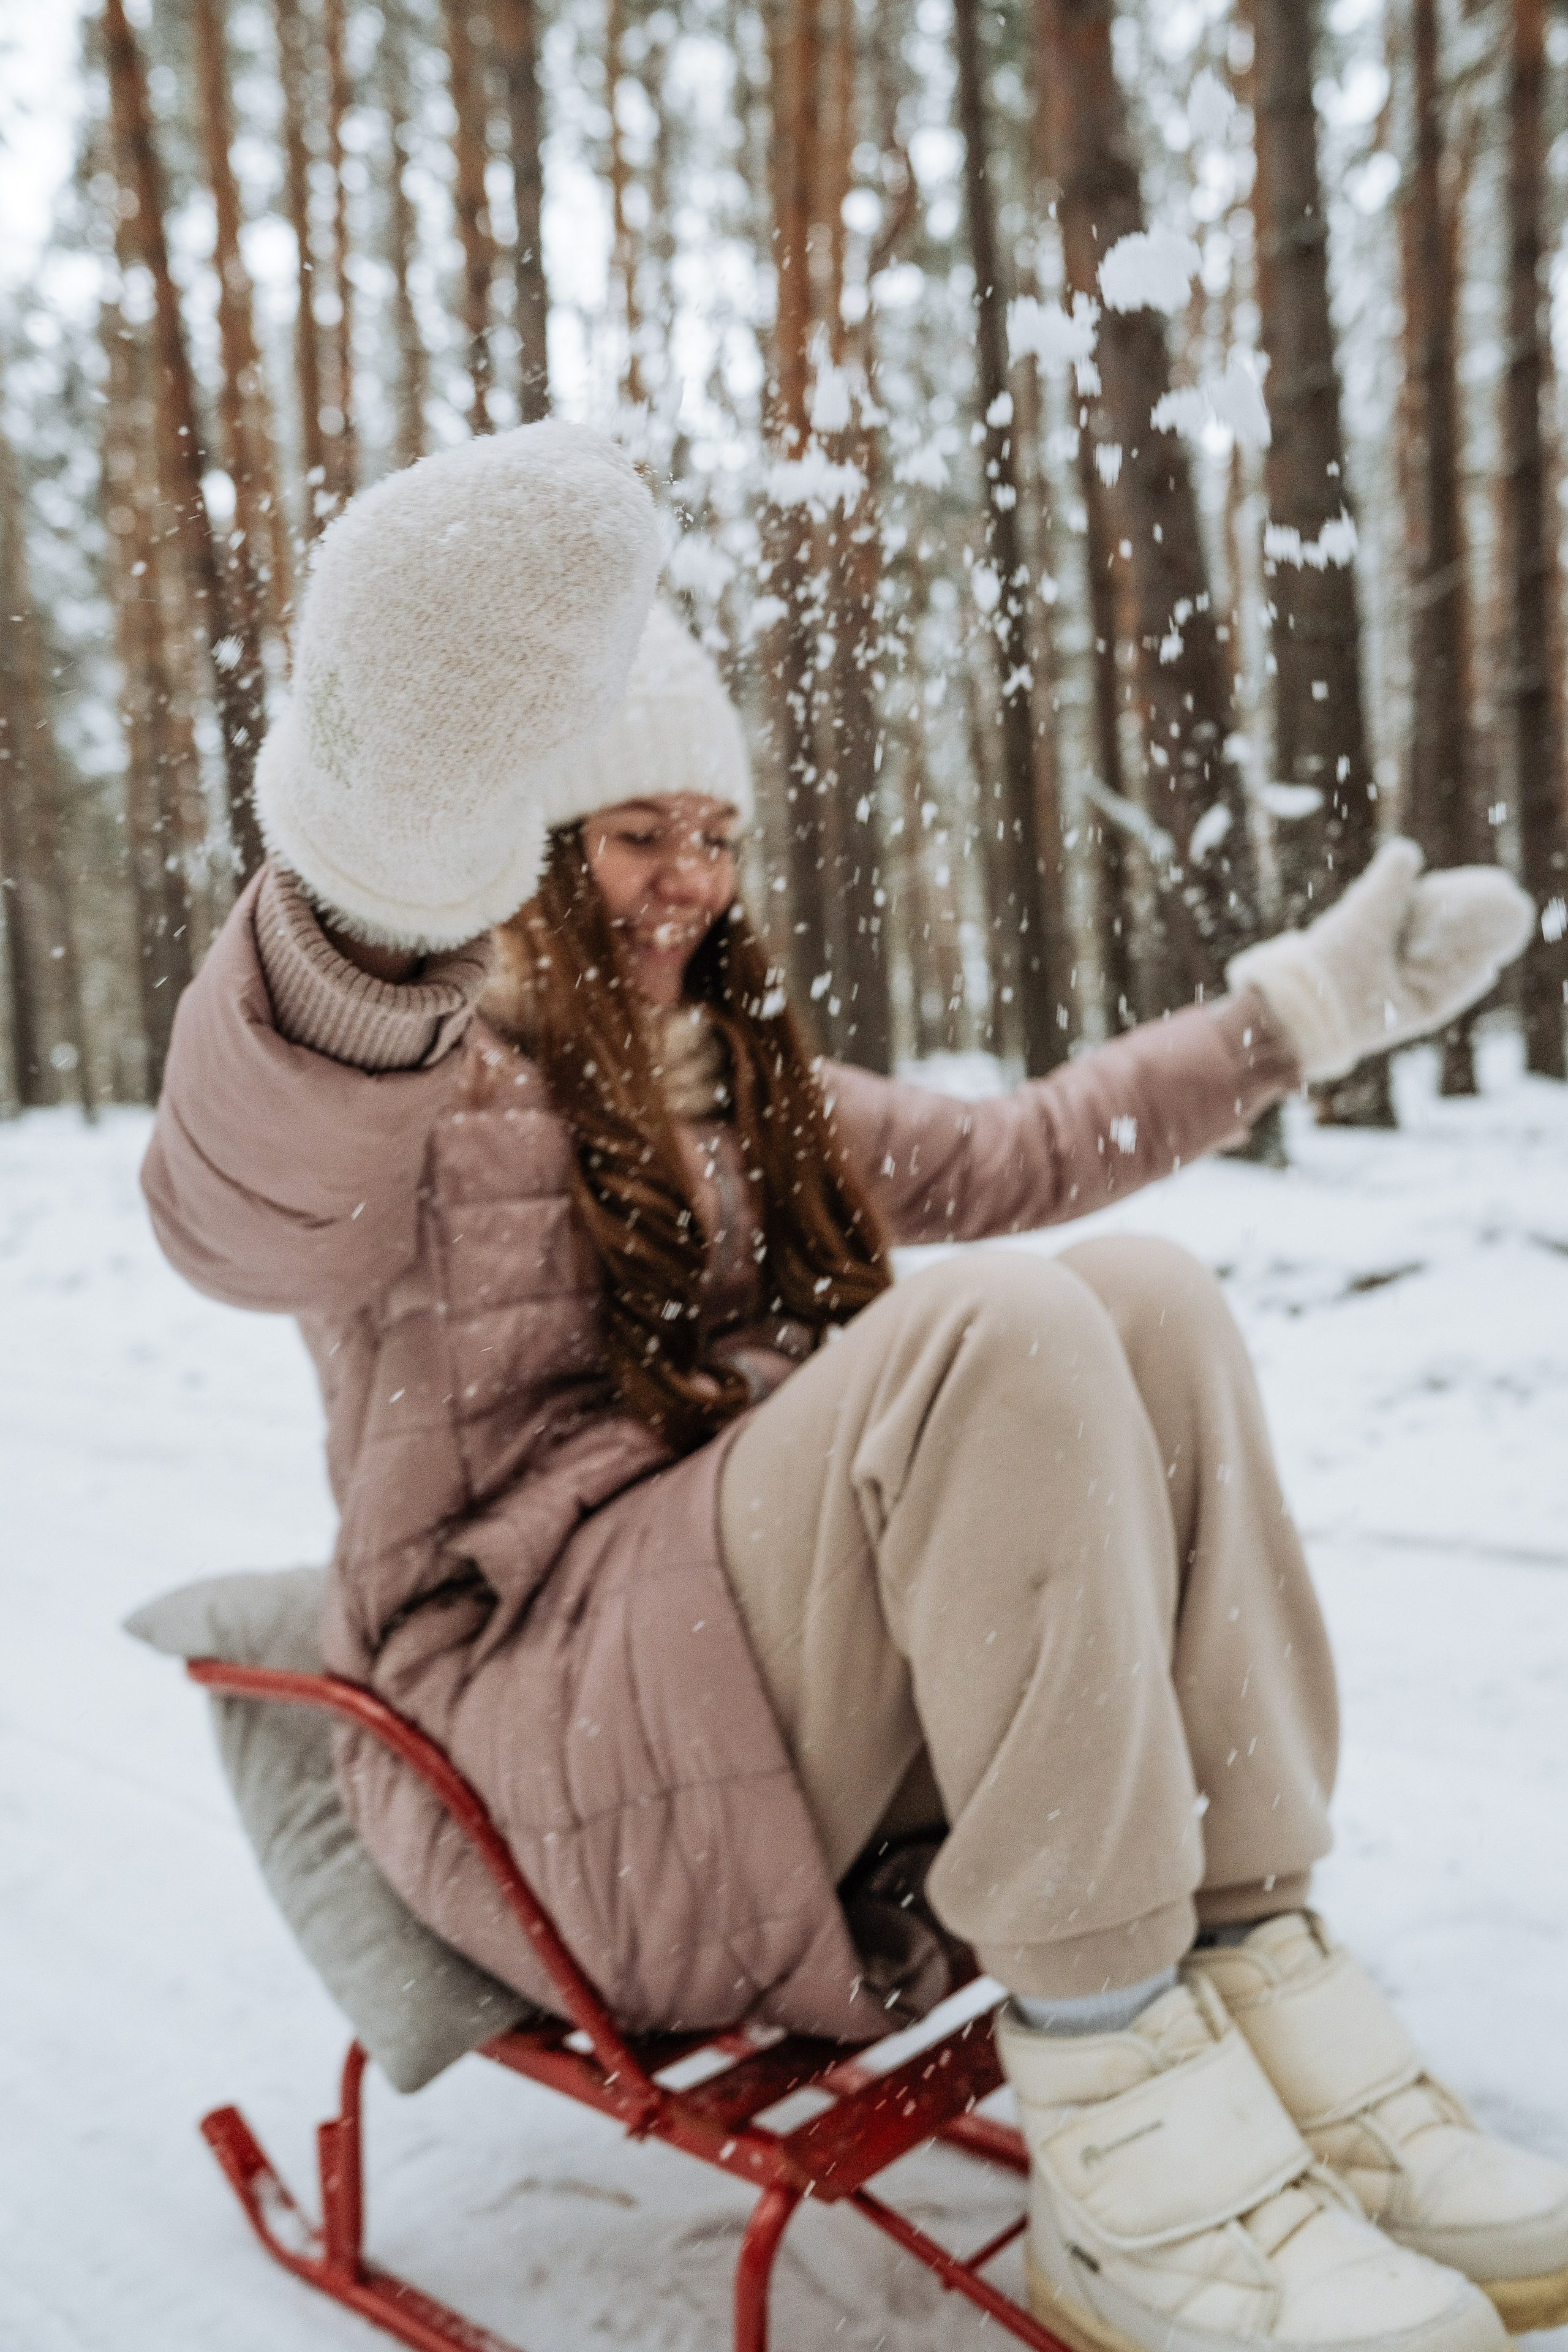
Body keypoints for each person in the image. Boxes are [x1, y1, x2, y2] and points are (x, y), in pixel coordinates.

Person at [144, 422, 1564, 2352]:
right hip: (538, 1759)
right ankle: (1114, 2079)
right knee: (987, 1336)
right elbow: (240, 1212)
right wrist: (366, 908)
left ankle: (1246, 1940)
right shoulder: (415, 1087)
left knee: (1132, 1296)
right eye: (640, 833)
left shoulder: (756, 1096)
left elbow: (1038, 1153)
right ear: (531, 849)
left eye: (715, 837)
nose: (689, 884)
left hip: (736, 1703)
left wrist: (1294, 1017)